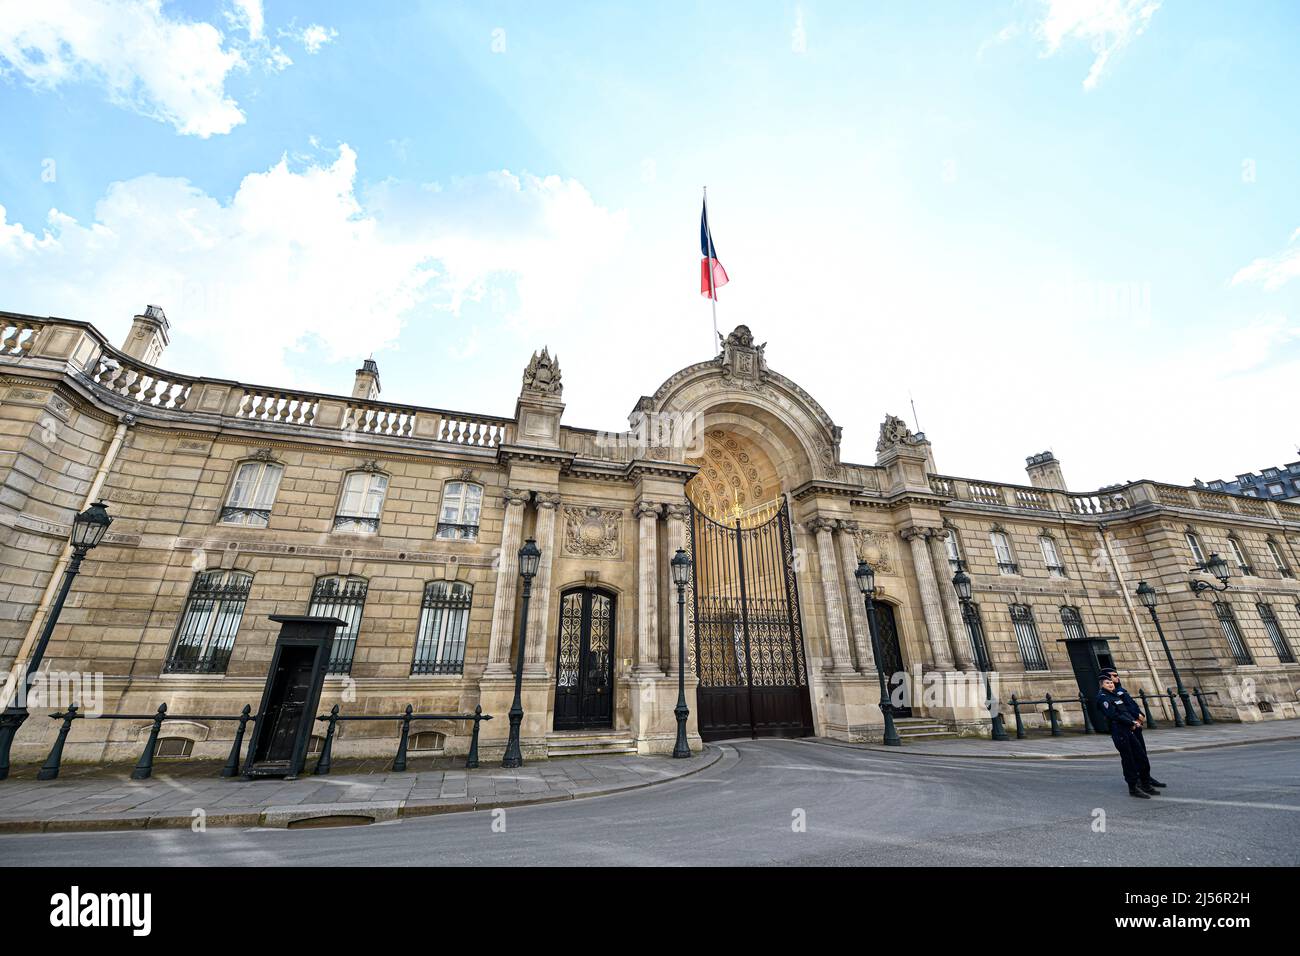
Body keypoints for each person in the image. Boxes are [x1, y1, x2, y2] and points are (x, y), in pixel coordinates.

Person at [1097, 672, 1166, 798]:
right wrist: (1131, 722)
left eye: (1111, 682)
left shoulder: (1114, 695)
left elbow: (1125, 711)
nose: (1111, 684)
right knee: (1128, 759)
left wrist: (1132, 722)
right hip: (1119, 731)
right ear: (1102, 685)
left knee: (1141, 756)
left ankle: (1146, 784)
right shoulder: (1103, 697)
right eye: (1108, 683)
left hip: (1128, 729)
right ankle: (1133, 787)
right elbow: (1113, 715)